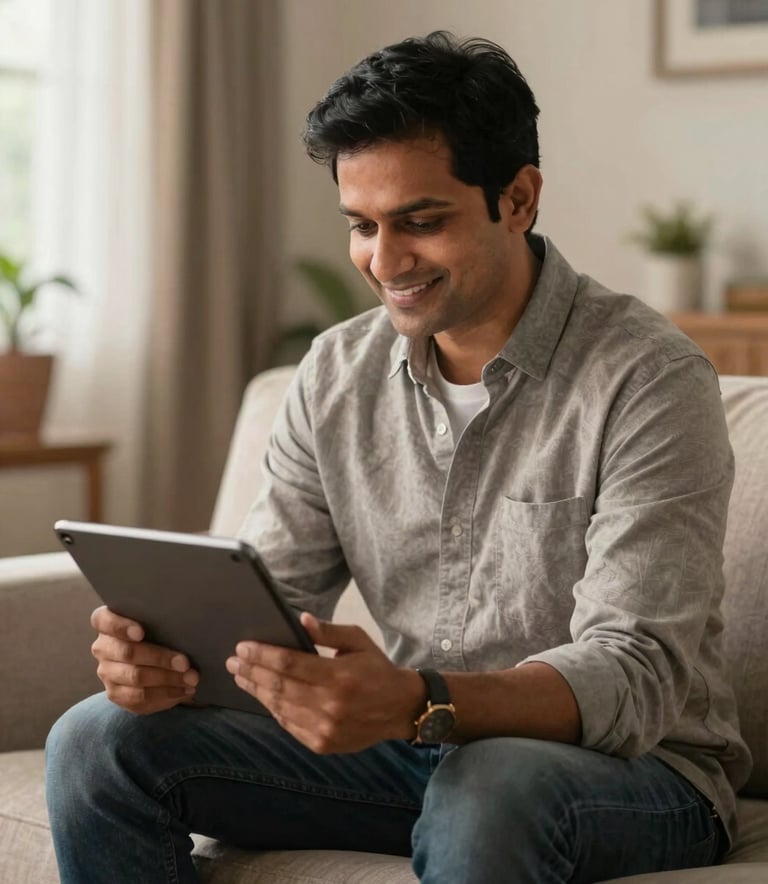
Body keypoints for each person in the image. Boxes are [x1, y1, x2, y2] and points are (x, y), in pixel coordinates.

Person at [46, 31, 751, 884]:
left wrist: (422, 700)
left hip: (636, 773)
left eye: (420, 222)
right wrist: (169, 660)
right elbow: (273, 599)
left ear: (519, 199)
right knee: (96, 740)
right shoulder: (336, 373)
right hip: (416, 752)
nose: (384, 262)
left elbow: (634, 675)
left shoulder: (649, 378)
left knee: (492, 782)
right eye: (363, 226)